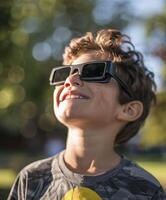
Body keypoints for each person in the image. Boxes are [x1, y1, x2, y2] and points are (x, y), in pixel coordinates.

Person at [8, 29, 166, 200]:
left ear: (128, 110)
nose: (71, 80)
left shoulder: (145, 190)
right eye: (65, 74)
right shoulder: (31, 179)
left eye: (93, 72)